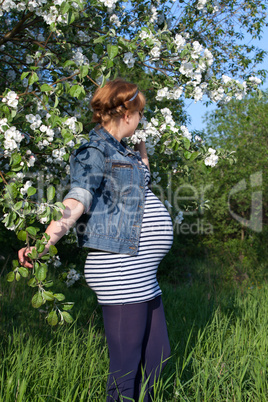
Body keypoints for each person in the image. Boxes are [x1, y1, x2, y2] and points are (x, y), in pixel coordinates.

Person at [18, 78, 173, 401]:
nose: (142, 118)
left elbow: (141, 179)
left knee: (157, 360)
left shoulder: (123, 151)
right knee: (125, 373)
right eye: (140, 112)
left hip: (142, 274)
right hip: (120, 271)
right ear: (126, 112)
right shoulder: (93, 151)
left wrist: (142, 150)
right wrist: (43, 245)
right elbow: (75, 202)